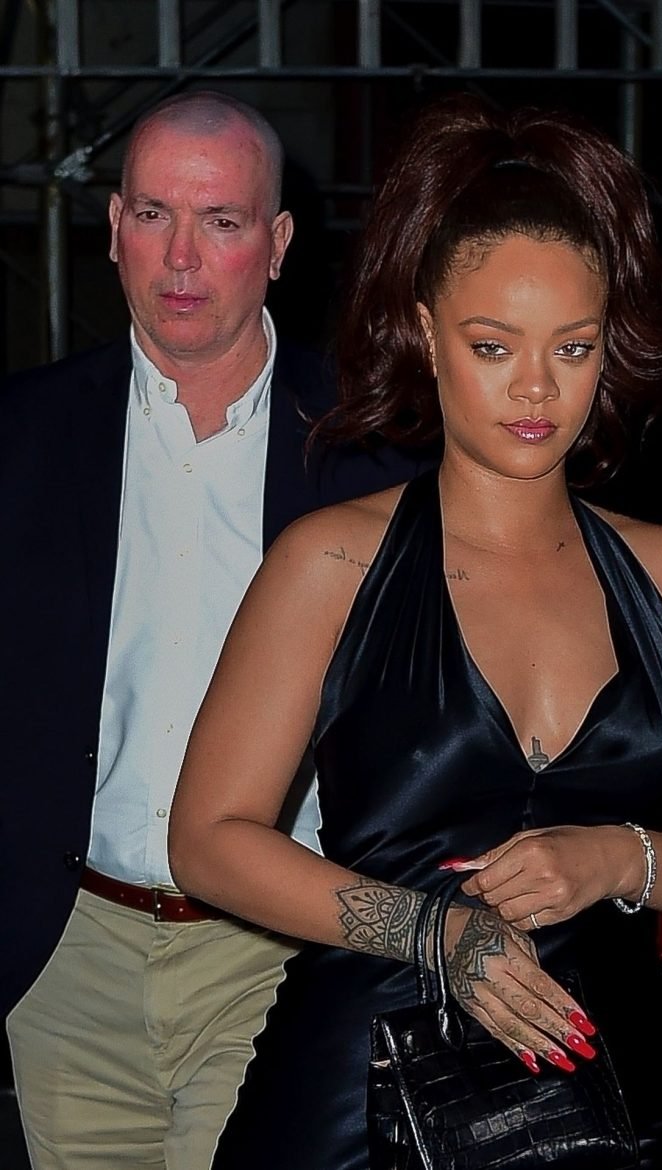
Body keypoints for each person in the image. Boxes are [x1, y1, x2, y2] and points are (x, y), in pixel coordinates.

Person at [169, 92, 662, 1170]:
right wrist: (434, 931)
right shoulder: (331, 561)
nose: (536, 388)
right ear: (426, 332)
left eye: (573, 348)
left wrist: (616, 856)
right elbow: (209, 839)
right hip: (355, 1101)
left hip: (599, 1096)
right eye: (494, 345)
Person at [1, 90, 418, 1169]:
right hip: (66, 954)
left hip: (278, 956)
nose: (180, 257)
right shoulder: (23, 435)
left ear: (276, 245)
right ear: (113, 229)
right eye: (154, 214)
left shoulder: (373, 455)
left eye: (221, 221)